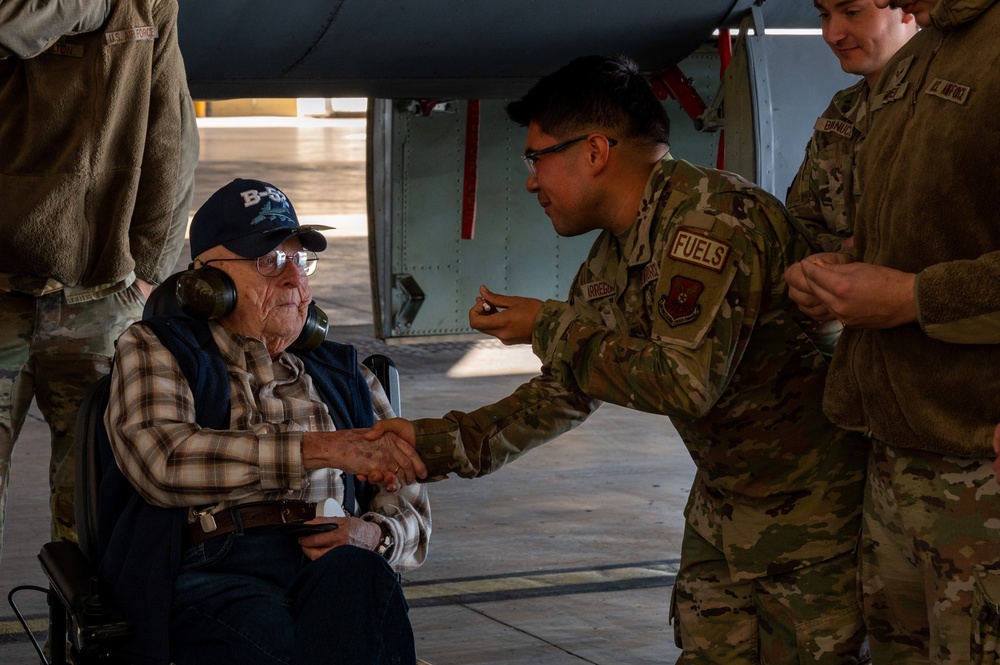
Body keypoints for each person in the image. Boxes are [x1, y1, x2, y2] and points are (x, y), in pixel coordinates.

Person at [371, 55, 870, 663]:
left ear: (596, 151)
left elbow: (686, 383)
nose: (531, 181)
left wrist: (547, 323)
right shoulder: (615, 255)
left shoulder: (710, 223)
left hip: (816, 518)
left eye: (538, 158)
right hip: (725, 510)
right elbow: (564, 394)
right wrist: (432, 445)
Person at [103, 179, 431, 664]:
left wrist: (375, 535)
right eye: (270, 261)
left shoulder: (346, 372)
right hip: (220, 569)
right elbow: (163, 461)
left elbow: (412, 505)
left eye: (300, 260)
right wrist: (319, 449)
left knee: (361, 577)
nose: (295, 280)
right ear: (208, 283)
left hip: (335, 557)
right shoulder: (158, 347)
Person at [784, 0, 1000, 662]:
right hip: (896, 448)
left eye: (852, 7)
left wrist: (909, 296)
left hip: (977, 461)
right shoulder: (924, 56)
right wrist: (849, 267)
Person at [0, 0, 199, 565]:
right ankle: (84, 644)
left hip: (78, 294)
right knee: (91, 498)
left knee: (95, 498)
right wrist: (147, 274)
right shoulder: (143, 6)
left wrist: (146, 274)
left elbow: (169, 140)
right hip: (94, 295)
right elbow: (173, 141)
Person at [785, 0, 916, 251]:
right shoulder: (841, 111)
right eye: (824, 15)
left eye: (852, 13)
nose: (832, 35)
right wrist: (841, 252)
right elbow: (798, 223)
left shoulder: (942, 106)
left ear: (906, 10)